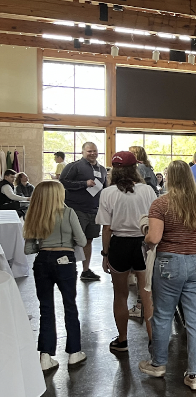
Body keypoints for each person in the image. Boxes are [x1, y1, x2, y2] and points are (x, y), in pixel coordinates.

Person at [138, 160, 196, 391]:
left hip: (169, 263)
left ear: (170, 178)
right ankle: (195, 374)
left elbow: (154, 238)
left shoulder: (161, 204)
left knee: (163, 315)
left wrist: (144, 236)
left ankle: (158, 364)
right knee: (195, 319)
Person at [23, 180, 88, 371]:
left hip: (42, 261)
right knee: (70, 305)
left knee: (46, 308)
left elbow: (28, 249)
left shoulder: (33, 215)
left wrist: (43, 245)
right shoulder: (68, 213)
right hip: (65, 260)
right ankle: (74, 352)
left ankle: (45, 355)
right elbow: (82, 241)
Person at [96, 151, 157, 352]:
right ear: (135, 168)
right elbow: (154, 220)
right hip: (143, 243)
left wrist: (105, 254)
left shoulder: (108, 193)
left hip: (119, 244)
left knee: (120, 295)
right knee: (146, 294)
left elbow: (106, 228)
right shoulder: (147, 190)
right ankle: (152, 339)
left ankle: (122, 339)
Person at [59, 141, 108, 281]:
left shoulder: (102, 169)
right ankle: (69, 268)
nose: (92, 153)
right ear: (83, 152)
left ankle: (86, 270)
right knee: (73, 239)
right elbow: (63, 181)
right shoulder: (74, 166)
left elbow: (105, 188)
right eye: (89, 151)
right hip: (76, 209)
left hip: (94, 210)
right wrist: (84, 183)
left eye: (94, 151)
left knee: (89, 239)